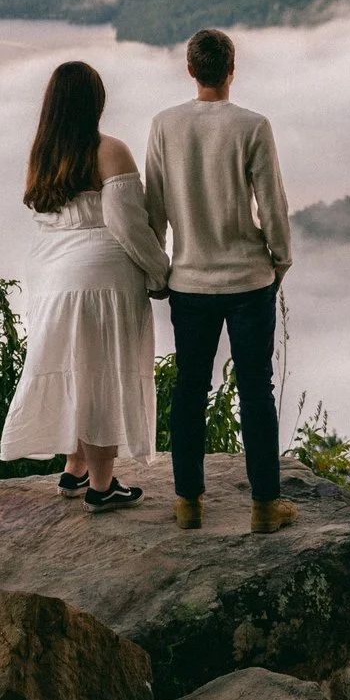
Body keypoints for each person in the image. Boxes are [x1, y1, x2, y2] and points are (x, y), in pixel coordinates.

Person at [0, 59, 169, 512]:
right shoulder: (110, 151)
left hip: (50, 277)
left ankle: (74, 469)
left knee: (76, 366)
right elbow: (128, 224)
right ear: (95, 102)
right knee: (102, 374)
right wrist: (160, 271)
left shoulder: (43, 156)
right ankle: (102, 485)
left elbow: (44, 217)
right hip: (104, 279)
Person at [145, 27, 296, 533]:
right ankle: (264, 506)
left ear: (191, 69)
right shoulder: (253, 126)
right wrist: (280, 261)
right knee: (256, 389)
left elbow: (155, 210)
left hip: (189, 281)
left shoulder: (165, 125)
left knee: (189, 390)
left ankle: (188, 502)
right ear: (232, 69)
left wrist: (159, 272)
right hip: (249, 280)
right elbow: (271, 204)